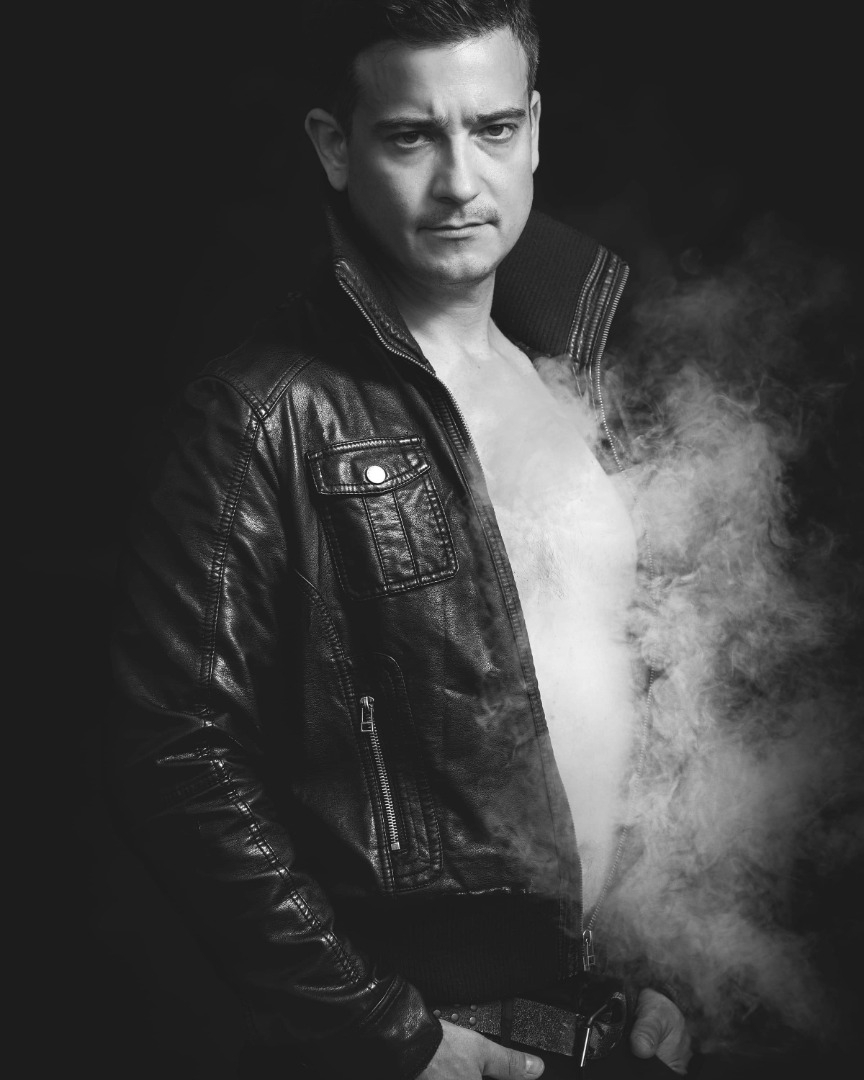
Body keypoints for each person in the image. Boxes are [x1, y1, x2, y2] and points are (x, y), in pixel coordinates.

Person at [110, 2, 694, 1076]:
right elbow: (175, 755)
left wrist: (661, 965)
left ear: (534, 129)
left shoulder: (579, 376)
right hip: (429, 1037)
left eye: (493, 129)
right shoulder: (262, 414)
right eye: (412, 136)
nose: (461, 182)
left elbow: (633, 687)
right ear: (336, 148)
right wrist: (388, 1036)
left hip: (601, 1025)